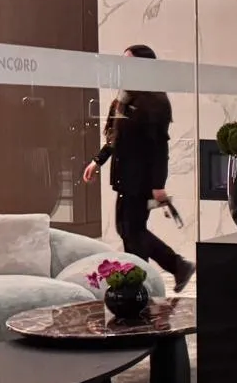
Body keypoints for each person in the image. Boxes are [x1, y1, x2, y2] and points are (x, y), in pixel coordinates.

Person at [83, 44, 195, 292]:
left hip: (140, 179)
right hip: (125, 176)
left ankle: (153, 278)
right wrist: (97, 160)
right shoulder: (125, 97)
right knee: (128, 229)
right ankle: (167, 271)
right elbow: (114, 137)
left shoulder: (154, 101)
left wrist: (158, 184)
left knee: (132, 231)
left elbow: (159, 147)